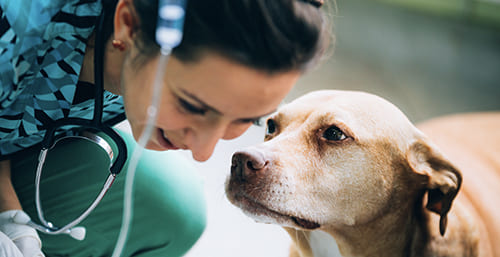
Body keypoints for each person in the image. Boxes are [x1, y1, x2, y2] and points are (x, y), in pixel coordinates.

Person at [0, 0, 331, 256]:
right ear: (128, 25)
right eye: (191, 105)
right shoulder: (16, 29)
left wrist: (11, 218)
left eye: (247, 119)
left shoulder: (139, 55)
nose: (204, 152)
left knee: (172, 207)